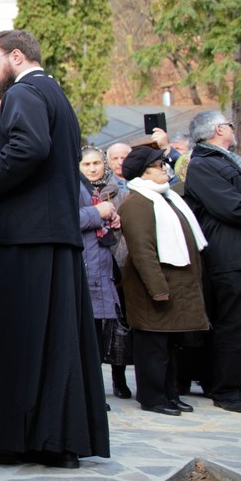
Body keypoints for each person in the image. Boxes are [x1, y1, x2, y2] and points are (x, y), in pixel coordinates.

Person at [0, 29, 109, 468]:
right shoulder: (55, 94)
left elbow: (29, 147)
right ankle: (55, 442)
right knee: (55, 345)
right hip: (52, 236)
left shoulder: (24, 92)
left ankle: (7, 440)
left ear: (16, 56)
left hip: (22, 237)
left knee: (12, 340)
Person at [181, 110, 241, 413]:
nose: (234, 128)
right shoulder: (203, 165)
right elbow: (232, 208)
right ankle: (227, 391)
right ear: (219, 129)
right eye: (230, 125)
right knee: (235, 328)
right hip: (234, 258)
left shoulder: (234, 161)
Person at [119, 145, 209, 415]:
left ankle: (170, 394)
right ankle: (153, 397)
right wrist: (157, 289)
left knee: (170, 346)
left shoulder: (166, 198)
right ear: (144, 172)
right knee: (153, 348)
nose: (164, 169)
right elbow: (142, 250)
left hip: (175, 285)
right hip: (154, 288)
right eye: (159, 166)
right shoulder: (137, 203)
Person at [79, 146, 132, 400]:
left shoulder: (120, 191)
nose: (92, 169)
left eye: (96, 163)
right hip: (89, 266)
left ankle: (118, 379)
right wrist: (98, 213)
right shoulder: (76, 188)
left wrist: (117, 221)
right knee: (93, 330)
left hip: (116, 264)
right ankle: (93, 389)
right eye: (86, 164)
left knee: (117, 328)